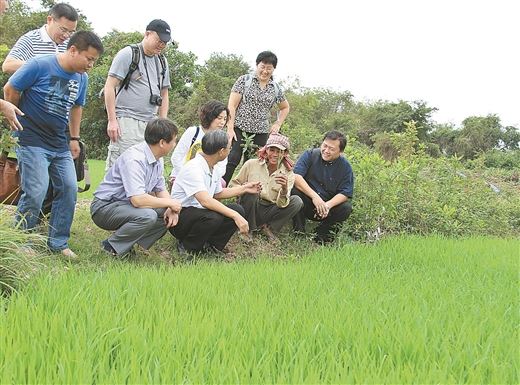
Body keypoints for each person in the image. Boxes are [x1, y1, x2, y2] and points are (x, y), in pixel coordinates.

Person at [3, 31, 104, 258]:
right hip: (31, 140)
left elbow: (77, 107)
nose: (90, 65)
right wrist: (15, 118)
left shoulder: (81, 78)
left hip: (59, 143)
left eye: (94, 61)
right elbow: (11, 88)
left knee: (69, 189)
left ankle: (58, 243)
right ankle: (22, 241)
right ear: (73, 50)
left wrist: (74, 138)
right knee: (36, 191)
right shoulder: (40, 65)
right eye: (88, 58)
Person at [91, 118, 181, 258]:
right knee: (148, 215)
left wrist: (172, 208)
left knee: (166, 212)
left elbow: (160, 189)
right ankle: (110, 246)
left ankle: (126, 246)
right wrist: (171, 203)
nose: (175, 144)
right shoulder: (135, 159)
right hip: (105, 207)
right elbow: (137, 200)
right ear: (162, 143)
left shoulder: (158, 159)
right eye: (174, 140)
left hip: (124, 206)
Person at [169, 130, 261, 257]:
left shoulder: (213, 167)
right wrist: (235, 216)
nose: (230, 151)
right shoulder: (193, 168)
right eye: (229, 148)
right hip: (180, 218)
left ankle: (211, 246)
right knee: (214, 216)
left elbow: (217, 193)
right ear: (221, 151)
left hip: (199, 213)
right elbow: (205, 200)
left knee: (237, 209)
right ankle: (188, 247)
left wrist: (244, 189)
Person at [104, 19, 172, 170]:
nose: (161, 45)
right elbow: (109, 86)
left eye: (165, 42)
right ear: (147, 34)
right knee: (122, 169)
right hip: (128, 121)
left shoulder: (162, 61)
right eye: (159, 40)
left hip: (151, 124)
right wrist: (112, 120)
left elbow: (164, 94)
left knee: (150, 170)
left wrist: (163, 122)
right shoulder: (128, 54)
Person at [223, 50, 290, 184]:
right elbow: (232, 106)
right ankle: (219, 191)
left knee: (255, 164)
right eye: (263, 67)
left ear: (273, 69)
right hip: (239, 128)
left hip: (261, 132)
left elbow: (285, 107)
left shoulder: (275, 88)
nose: (265, 71)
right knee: (232, 159)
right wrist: (230, 128)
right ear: (257, 65)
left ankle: (245, 196)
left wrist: (277, 124)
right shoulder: (244, 80)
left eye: (269, 68)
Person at [229, 133, 303, 243]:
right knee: (251, 192)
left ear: (285, 153)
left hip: (270, 208)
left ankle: (269, 229)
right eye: (272, 150)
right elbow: (233, 185)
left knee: (297, 201)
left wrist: (284, 189)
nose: (275, 154)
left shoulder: (288, 174)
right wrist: (245, 188)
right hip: (251, 206)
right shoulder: (251, 164)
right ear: (266, 150)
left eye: (279, 151)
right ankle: (247, 229)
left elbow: (282, 204)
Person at [292, 130, 354, 244]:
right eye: (325, 146)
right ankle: (299, 234)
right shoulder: (310, 155)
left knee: (346, 208)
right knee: (294, 191)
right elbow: (296, 177)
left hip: (327, 207)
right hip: (308, 201)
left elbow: (346, 192)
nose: (326, 151)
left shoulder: (345, 167)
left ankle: (322, 238)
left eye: (331, 149)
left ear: (340, 151)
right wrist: (315, 197)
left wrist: (327, 205)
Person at [2, 3, 78, 74]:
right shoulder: (31, 39)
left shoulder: (70, 44)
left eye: (71, 32)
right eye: (63, 30)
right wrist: (42, 66)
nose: (66, 35)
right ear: (49, 20)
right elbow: (8, 65)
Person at [169, 100, 229, 184]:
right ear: (210, 116)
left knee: (221, 183)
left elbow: (221, 167)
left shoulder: (222, 139)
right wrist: (187, 175)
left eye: (225, 119)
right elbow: (176, 157)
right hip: (183, 175)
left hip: (206, 179)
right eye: (219, 118)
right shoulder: (193, 132)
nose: (222, 122)